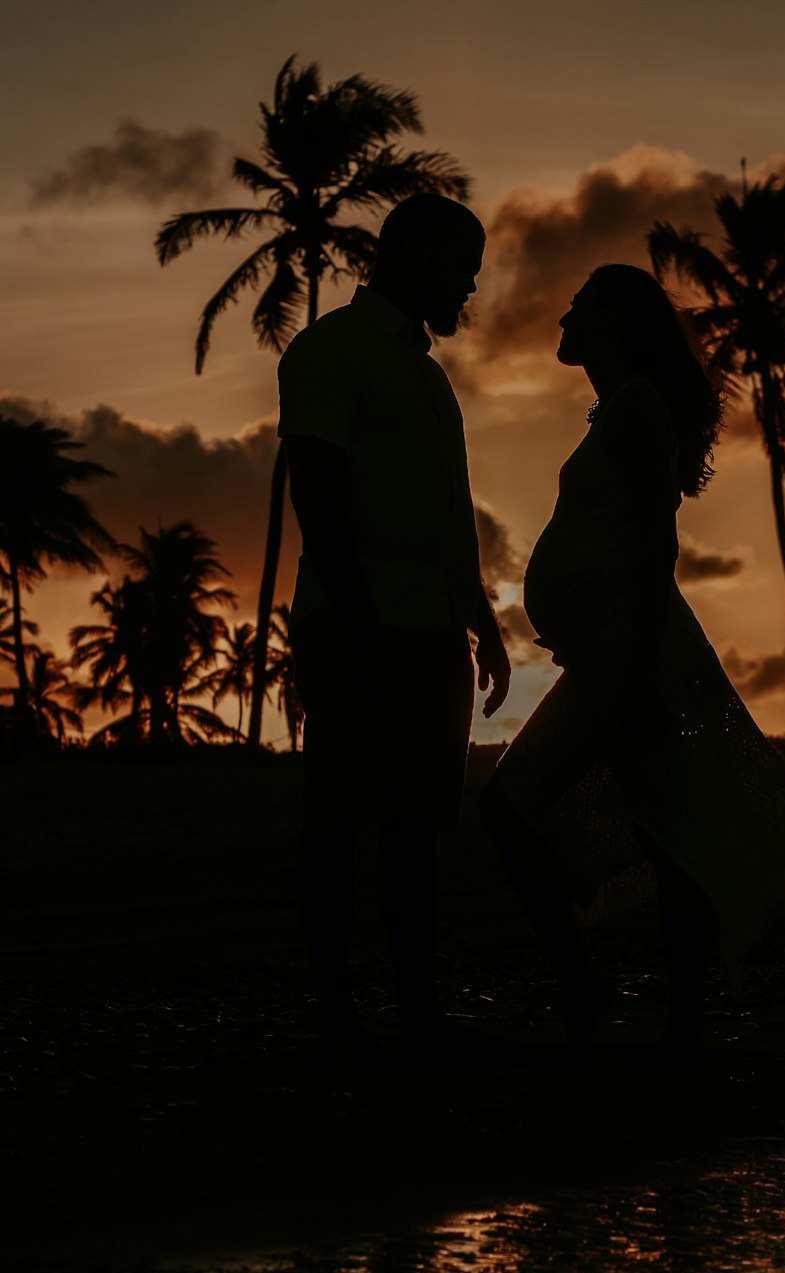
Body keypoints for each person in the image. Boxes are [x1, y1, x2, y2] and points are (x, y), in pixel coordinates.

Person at [482, 263, 785, 1054]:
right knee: (659, 825)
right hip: (610, 651)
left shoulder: (639, 409)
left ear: (615, 319)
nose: (562, 320)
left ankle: (622, 1001)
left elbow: (658, 543)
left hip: (632, 653)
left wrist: (635, 665)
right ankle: (654, 1013)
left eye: (578, 306)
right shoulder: (619, 410)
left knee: (524, 805)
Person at [278, 194, 511, 1051]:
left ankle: (417, 1008)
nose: (469, 290)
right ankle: (336, 1013)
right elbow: (318, 492)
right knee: (338, 814)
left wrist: (481, 622)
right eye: (462, 269)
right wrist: (360, 622)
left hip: (431, 628)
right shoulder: (329, 354)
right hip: (354, 622)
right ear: (415, 256)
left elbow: (451, 513)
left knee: (417, 825)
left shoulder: (425, 373)